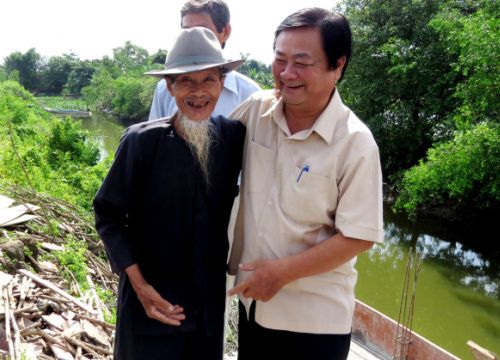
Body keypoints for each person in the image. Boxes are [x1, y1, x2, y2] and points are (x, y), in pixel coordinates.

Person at [227, 8, 384, 360]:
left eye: (301, 62)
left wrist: (280, 273)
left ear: (337, 66)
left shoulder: (355, 143)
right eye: (279, 59)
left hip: (314, 324)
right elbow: (206, 152)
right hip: (253, 308)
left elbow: (359, 236)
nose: (286, 74)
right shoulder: (256, 110)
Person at [93, 27, 246, 360]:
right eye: (186, 81)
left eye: (209, 80)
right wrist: (141, 288)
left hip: (206, 313)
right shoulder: (141, 142)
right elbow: (108, 215)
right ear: (170, 86)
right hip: (151, 309)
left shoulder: (234, 138)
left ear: (222, 83)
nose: (199, 92)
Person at [148, 0, 260, 120]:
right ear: (170, 87)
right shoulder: (163, 90)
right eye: (187, 31)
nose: (194, 37)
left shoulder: (250, 95)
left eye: (204, 30)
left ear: (225, 32)